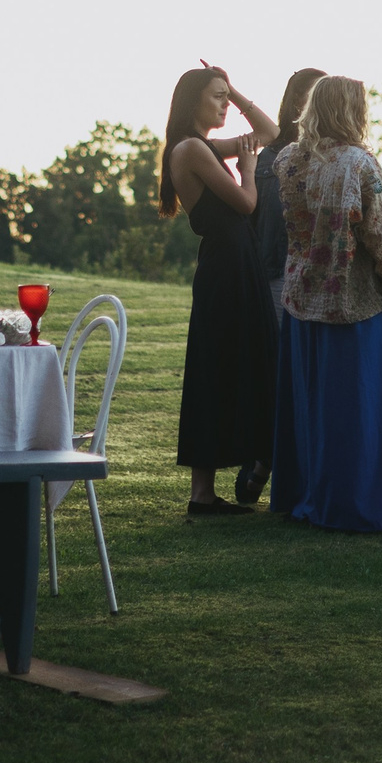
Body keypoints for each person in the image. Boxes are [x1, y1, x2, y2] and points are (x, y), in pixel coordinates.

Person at [270, 76, 382, 532]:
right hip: (355, 304)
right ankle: (356, 503)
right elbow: (380, 234)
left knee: (312, 406)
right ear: (350, 111)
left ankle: (306, 494)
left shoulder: (287, 159)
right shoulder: (359, 164)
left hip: (301, 297)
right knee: (357, 410)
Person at [162, 64, 280, 516]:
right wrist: (247, 169)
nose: (225, 105)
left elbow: (269, 130)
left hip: (238, 264)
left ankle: (208, 491)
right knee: (218, 366)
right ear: (193, 101)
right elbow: (247, 203)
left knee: (234, 362)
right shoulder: (191, 149)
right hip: (225, 270)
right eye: (216, 97)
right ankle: (203, 493)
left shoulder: (205, 146)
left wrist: (238, 92)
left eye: (226, 97)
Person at [253, 68, 327, 323]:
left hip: (320, 277)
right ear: (297, 102)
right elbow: (255, 218)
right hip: (275, 273)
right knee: (278, 352)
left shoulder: (336, 157)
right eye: (317, 94)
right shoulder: (269, 157)